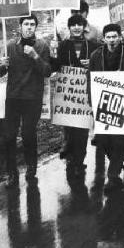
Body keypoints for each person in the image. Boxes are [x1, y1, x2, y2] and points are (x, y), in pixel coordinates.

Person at [0, 15, 52, 188]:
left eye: (32, 24)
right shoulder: (11, 46)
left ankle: (31, 167)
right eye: (26, 24)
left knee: (28, 134)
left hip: (32, 97)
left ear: (36, 27)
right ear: (20, 26)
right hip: (13, 96)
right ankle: (12, 172)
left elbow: (47, 71)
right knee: (9, 136)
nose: (29, 27)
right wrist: (2, 65)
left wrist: (35, 55)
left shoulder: (42, 46)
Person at [88, 23, 124, 193]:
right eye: (108, 37)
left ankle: (113, 175)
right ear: (104, 39)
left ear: (120, 38)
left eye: (114, 37)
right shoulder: (96, 56)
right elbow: (90, 79)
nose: (112, 40)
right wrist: (91, 101)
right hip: (103, 104)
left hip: (123, 104)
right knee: (104, 141)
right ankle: (123, 154)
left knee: (118, 140)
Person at [50, 14, 99, 179]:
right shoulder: (62, 45)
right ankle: (71, 157)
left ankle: (79, 161)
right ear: (69, 28)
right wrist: (52, 54)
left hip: (85, 92)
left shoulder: (93, 46)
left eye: (79, 24)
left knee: (82, 129)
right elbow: (55, 66)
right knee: (69, 128)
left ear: (84, 26)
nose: (77, 27)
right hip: (67, 92)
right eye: (73, 25)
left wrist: (91, 64)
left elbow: (101, 65)